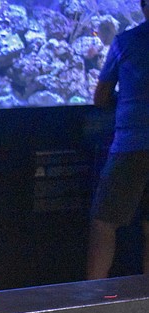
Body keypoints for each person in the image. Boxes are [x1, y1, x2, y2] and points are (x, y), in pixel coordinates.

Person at [87, 0, 149, 279]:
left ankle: (91, 299)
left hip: (131, 145)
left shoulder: (126, 42)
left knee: (104, 221)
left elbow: (100, 96)